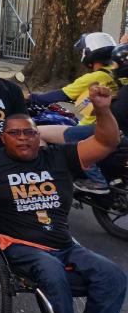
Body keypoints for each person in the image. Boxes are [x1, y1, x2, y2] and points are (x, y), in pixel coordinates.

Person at [0, 87, 128, 313]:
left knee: (113, 275)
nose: (24, 137)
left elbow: (107, 140)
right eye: (15, 133)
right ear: (2, 138)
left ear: (39, 136)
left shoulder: (59, 157)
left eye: (30, 132)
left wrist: (102, 109)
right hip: (18, 244)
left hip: (63, 244)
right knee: (51, 270)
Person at [28, 32, 127, 194]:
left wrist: (31, 98)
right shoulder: (117, 73)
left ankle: (49, 180)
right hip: (113, 126)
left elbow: (60, 95)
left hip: (94, 127)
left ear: (89, 53)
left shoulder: (94, 77)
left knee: (39, 134)